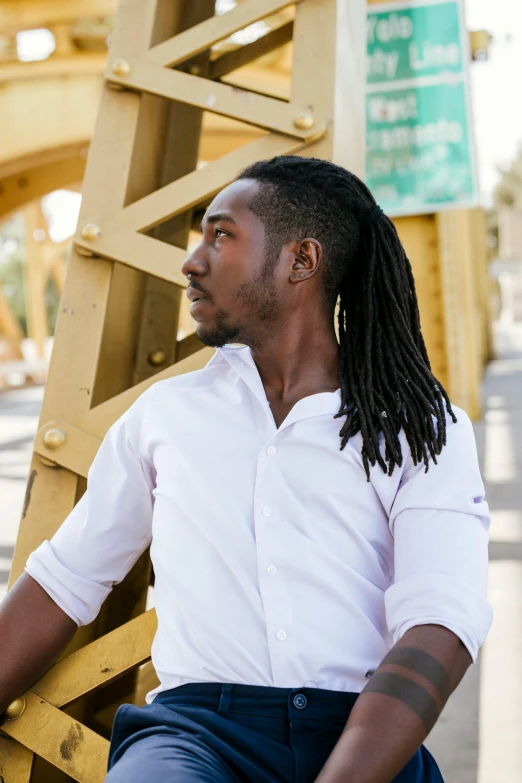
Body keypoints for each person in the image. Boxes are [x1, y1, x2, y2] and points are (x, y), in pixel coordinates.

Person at [0, 156, 492, 783]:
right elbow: (62, 584)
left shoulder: (422, 429)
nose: (191, 260)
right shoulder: (165, 417)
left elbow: (439, 624)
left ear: (300, 261)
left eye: (221, 234)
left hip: (365, 738)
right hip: (193, 737)